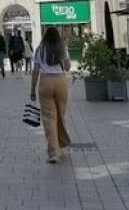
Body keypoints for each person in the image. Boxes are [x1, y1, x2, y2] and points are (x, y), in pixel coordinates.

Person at [30, 26, 72, 163]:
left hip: (45, 82)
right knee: (60, 115)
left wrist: (32, 90)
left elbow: (35, 71)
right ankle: (63, 144)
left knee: (49, 118)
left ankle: (54, 152)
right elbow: (67, 67)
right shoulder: (62, 48)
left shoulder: (39, 49)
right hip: (60, 81)